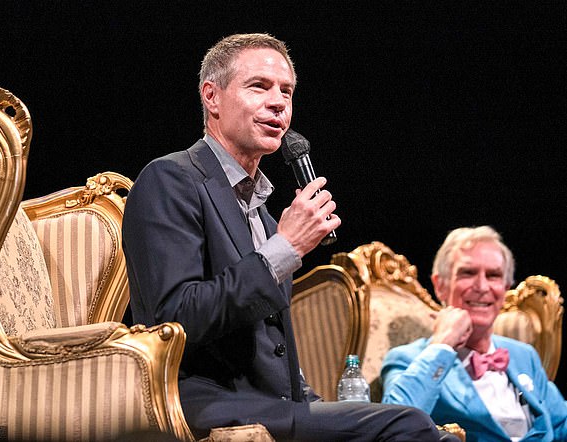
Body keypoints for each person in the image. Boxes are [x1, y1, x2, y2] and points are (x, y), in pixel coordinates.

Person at [123, 33, 456, 441]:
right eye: (259, 86)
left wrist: (311, 399)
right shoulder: (171, 179)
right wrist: (286, 248)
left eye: (287, 91)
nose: (279, 102)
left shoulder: (261, 211)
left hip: (275, 402)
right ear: (212, 97)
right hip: (197, 399)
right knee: (407, 424)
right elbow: (173, 320)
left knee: (426, 429)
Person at [381, 226, 567, 442]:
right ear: (439, 285)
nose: (482, 286)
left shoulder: (523, 354)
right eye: (467, 273)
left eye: (493, 275)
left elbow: (561, 422)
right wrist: (442, 345)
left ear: (505, 287)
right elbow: (394, 426)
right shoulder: (407, 359)